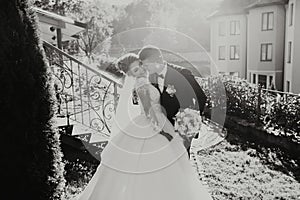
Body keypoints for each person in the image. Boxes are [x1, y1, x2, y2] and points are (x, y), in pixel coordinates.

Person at [72, 53, 213, 200]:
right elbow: (148, 111)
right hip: (153, 124)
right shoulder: (141, 84)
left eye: (139, 66)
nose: (140, 70)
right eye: (135, 71)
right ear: (131, 75)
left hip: (164, 121)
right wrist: (162, 132)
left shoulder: (150, 77)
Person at [138, 45, 207, 157]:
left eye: (146, 65)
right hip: (164, 126)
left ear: (157, 60)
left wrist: (192, 118)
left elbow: (201, 96)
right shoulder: (151, 77)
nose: (145, 68)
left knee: (182, 157)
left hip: (183, 126)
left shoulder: (183, 73)